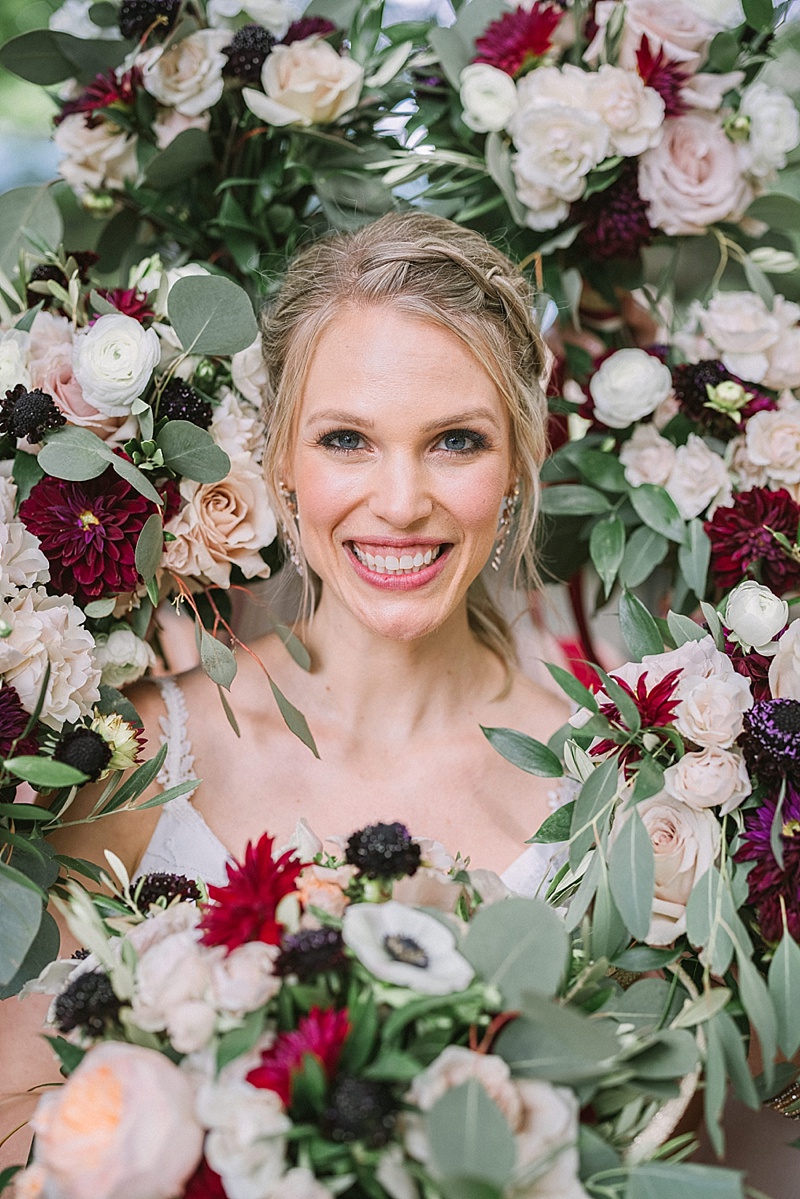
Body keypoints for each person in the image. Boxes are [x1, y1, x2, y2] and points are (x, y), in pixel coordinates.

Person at [0, 212, 569, 1165]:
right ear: (280, 464)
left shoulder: (609, 790)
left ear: (520, 457)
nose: (399, 501)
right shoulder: (133, 758)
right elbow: (27, 1128)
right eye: (347, 438)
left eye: (456, 441)